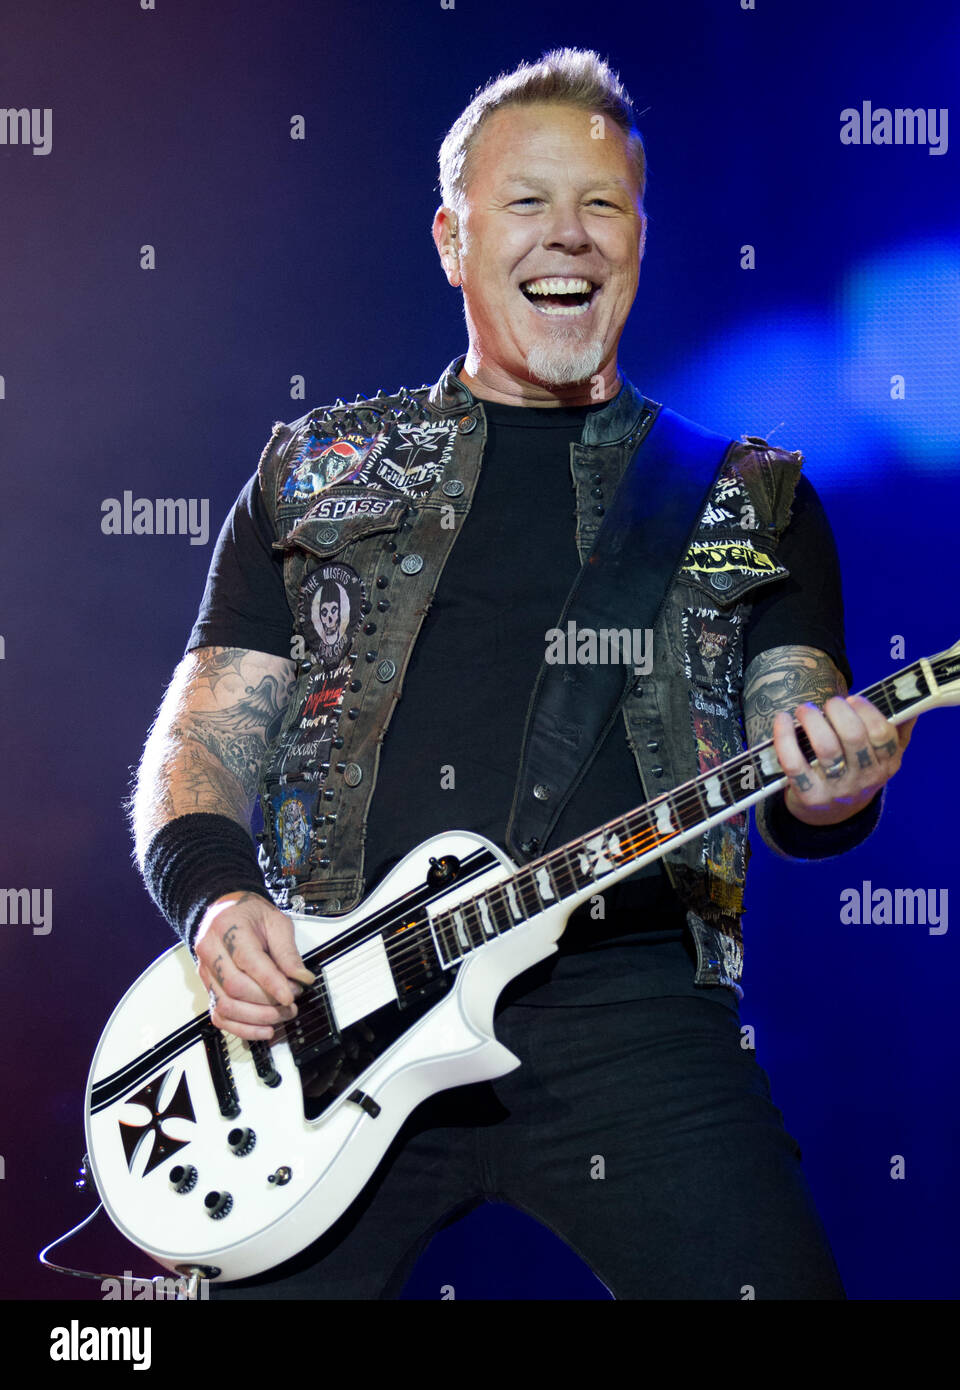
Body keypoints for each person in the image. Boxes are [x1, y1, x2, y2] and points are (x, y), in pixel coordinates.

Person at [129, 48, 914, 1300]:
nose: (572, 237)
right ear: (453, 238)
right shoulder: (315, 470)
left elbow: (799, 748)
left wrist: (840, 780)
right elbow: (204, 735)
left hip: (634, 1008)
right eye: (528, 202)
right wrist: (221, 904)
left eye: (603, 205)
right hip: (335, 1015)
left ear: (642, 240)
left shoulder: (750, 495)